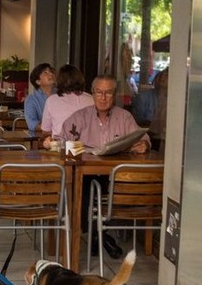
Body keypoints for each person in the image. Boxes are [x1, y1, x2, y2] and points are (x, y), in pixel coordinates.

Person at [61, 74, 150, 259]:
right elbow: (62, 142)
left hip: (115, 176)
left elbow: (142, 138)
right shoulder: (79, 117)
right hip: (87, 175)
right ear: (92, 94)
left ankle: (97, 235)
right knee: (82, 186)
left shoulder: (124, 117)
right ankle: (99, 235)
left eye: (108, 93)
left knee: (125, 186)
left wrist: (145, 145)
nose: (103, 97)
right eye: (99, 92)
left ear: (114, 95)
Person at [41, 64, 93, 145]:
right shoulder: (91, 99)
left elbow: (45, 130)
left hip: (60, 148)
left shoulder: (51, 100)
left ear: (59, 81)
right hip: (87, 147)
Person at [132, 67, 168, 151]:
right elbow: (137, 120)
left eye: (168, 75)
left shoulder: (177, 100)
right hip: (148, 137)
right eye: (164, 75)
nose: (165, 78)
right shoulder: (143, 97)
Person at [24, 63, 56, 133]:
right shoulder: (31, 100)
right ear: (38, 81)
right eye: (45, 73)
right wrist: (52, 130)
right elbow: (32, 124)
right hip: (43, 138)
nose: (51, 74)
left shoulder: (61, 94)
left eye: (51, 71)